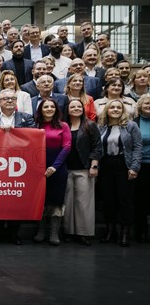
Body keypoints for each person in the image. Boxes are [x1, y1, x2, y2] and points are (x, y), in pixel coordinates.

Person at [0, 89, 35, 245]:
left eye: (13, 98)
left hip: (20, 165)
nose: (10, 101)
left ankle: (14, 233)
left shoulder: (27, 118)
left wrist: (14, 131)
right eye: (6, 99)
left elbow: (33, 136)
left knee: (16, 200)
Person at [97, 99, 142, 247]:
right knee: (108, 200)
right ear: (107, 111)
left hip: (124, 165)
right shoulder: (101, 126)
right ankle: (111, 231)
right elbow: (97, 147)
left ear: (123, 110)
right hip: (106, 165)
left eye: (118, 108)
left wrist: (134, 167)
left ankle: (124, 234)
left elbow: (137, 147)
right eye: (112, 108)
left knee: (125, 200)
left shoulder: (131, 126)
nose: (115, 110)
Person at [63, 98, 102, 246]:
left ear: (83, 109)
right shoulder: (63, 125)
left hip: (84, 169)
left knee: (83, 203)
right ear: (67, 109)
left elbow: (97, 147)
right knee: (68, 202)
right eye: (72, 106)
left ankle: (83, 233)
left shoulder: (90, 125)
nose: (75, 109)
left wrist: (94, 165)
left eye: (78, 106)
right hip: (66, 169)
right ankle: (69, 232)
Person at [33, 98, 72, 246]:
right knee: (41, 200)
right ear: (41, 110)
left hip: (58, 168)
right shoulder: (35, 125)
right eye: (46, 107)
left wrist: (54, 166)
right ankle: (41, 231)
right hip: (37, 168)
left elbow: (66, 147)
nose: (49, 109)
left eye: (52, 107)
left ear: (56, 109)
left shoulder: (63, 126)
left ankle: (53, 232)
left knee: (56, 201)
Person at [134, 94, 150, 242]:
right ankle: (141, 231)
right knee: (141, 200)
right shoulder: (134, 123)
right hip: (141, 165)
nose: (149, 106)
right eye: (146, 103)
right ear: (140, 105)